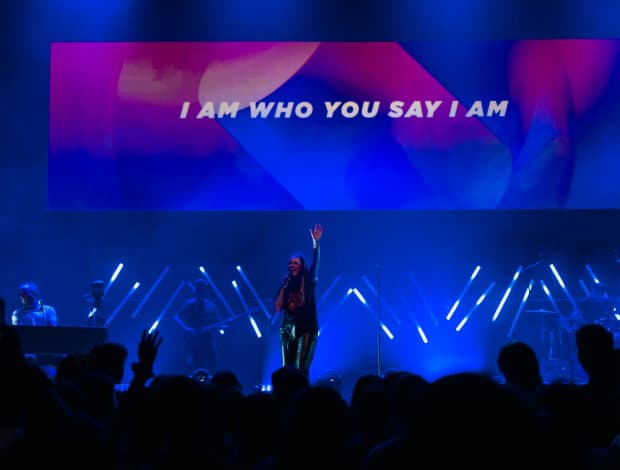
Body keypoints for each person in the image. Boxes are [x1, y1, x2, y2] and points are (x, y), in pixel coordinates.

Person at [275, 223, 323, 377]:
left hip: (305, 329)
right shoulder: (286, 283)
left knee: (300, 369)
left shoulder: (308, 279)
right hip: (288, 330)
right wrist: (284, 286)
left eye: (295, 263)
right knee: (287, 371)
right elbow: (278, 307)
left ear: (302, 266)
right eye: (290, 263)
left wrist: (315, 242)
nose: (292, 265)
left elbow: (316, 262)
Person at [173, 278, 220, 375]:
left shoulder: (211, 305)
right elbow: (176, 317)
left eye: (202, 288)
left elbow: (216, 321)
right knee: (197, 366)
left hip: (209, 340)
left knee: (213, 366)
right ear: (196, 289)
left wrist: (221, 326)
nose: (200, 290)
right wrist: (187, 328)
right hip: (195, 340)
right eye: (199, 288)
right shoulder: (190, 303)